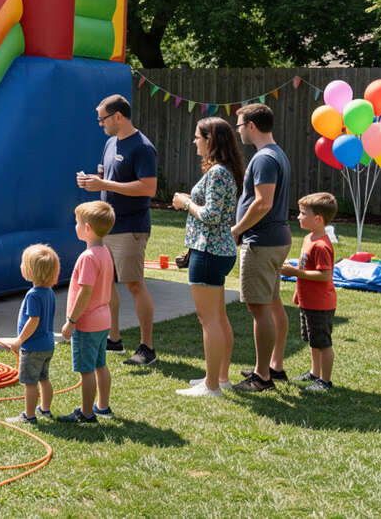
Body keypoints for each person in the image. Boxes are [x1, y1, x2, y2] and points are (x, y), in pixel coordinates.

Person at [77, 94, 159, 367]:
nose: (100, 124)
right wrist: (92, 182)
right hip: (106, 227)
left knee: (134, 284)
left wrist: (106, 185)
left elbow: (148, 188)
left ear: (118, 117)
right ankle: (113, 339)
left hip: (130, 227)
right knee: (106, 284)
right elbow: (107, 177)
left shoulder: (143, 147)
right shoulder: (110, 143)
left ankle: (147, 347)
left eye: (103, 118)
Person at [171, 118, 244, 397]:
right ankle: (220, 378)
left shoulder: (217, 173)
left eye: (198, 137)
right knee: (219, 317)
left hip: (209, 250)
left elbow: (211, 216)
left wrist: (186, 202)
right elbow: (215, 208)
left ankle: (211, 385)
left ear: (210, 139)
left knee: (208, 319)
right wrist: (191, 200)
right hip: (220, 250)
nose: (194, 142)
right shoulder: (224, 172)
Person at [231, 103, 292, 392]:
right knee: (273, 303)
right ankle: (274, 366)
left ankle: (262, 377)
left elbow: (263, 202)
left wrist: (237, 229)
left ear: (251, 126)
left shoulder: (264, 159)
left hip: (262, 242)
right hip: (277, 239)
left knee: (259, 309)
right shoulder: (277, 153)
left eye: (240, 125)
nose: (238, 130)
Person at [58, 201, 116, 423]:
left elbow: (85, 293)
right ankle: (103, 405)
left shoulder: (88, 258)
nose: (75, 226)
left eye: (77, 223)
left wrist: (71, 321)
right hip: (104, 320)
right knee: (101, 364)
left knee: (86, 370)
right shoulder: (104, 252)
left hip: (87, 323)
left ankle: (86, 412)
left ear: (88, 228)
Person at [280, 192, 337, 393]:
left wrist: (295, 272)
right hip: (308, 301)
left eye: (303, 213)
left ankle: (325, 381)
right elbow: (306, 268)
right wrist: (299, 293)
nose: (298, 216)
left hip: (321, 304)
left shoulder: (321, 246)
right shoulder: (308, 238)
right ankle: (315, 372)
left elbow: (324, 275)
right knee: (313, 340)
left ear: (318, 219)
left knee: (323, 343)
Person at [6, 244, 58, 425]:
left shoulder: (33, 295)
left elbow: (33, 321)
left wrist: (19, 341)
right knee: (44, 379)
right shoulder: (49, 292)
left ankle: (29, 416)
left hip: (33, 347)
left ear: (31, 271)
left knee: (30, 383)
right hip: (47, 345)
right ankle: (45, 409)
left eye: (23, 263)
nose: (21, 266)